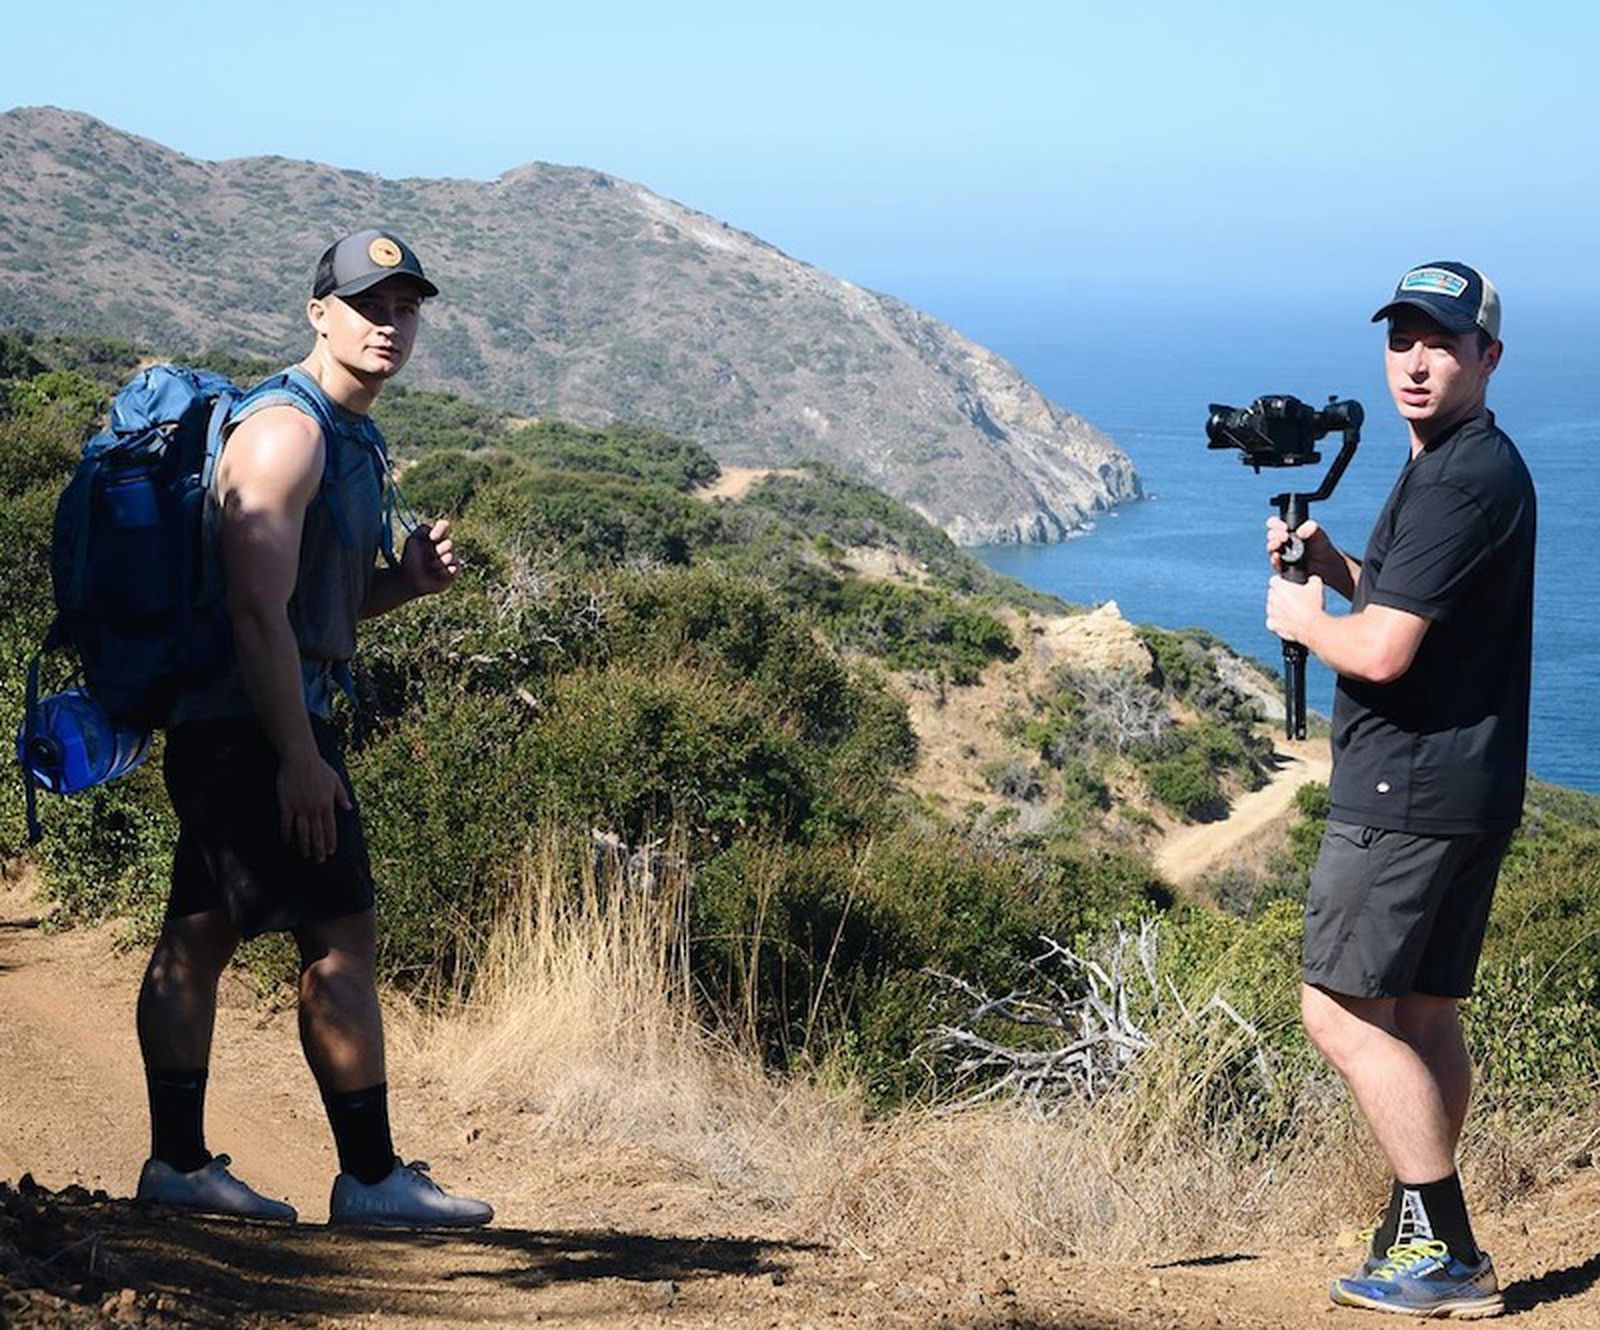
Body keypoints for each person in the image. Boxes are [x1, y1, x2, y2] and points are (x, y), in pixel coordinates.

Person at [133, 229, 493, 1228]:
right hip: (257, 724)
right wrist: (298, 757)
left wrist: (404, 586)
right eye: (369, 304)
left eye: (405, 307)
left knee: (197, 935)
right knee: (340, 937)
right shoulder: (287, 433)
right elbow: (254, 612)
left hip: (242, 719)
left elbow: (304, 610)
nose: (389, 324)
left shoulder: (350, 435)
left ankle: (176, 1164)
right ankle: (371, 1178)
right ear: (317, 311)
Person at [1264, 260, 1534, 1319]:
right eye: (1400, 340)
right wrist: (1333, 565)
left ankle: (1446, 1247)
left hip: (1404, 787)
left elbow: (1378, 653)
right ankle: (1415, 1224)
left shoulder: (1457, 475)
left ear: (1485, 357)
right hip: (1465, 784)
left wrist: (1302, 622)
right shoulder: (1472, 465)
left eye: (1440, 342)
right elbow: (1410, 602)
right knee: (1420, 1014)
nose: (1415, 362)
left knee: (1333, 1008)